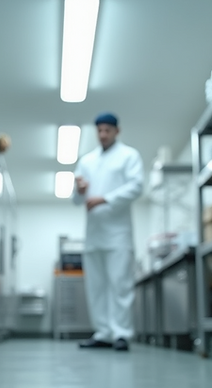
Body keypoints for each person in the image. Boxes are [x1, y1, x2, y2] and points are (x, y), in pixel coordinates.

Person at [72, 112, 144, 352]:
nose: (103, 135)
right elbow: (75, 200)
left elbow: (136, 187)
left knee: (119, 284)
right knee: (96, 286)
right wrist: (79, 190)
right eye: (99, 131)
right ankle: (103, 333)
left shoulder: (129, 156)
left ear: (117, 131)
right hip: (93, 234)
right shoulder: (86, 161)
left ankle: (122, 334)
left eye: (107, 130)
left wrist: (105, 199)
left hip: (118, 234)